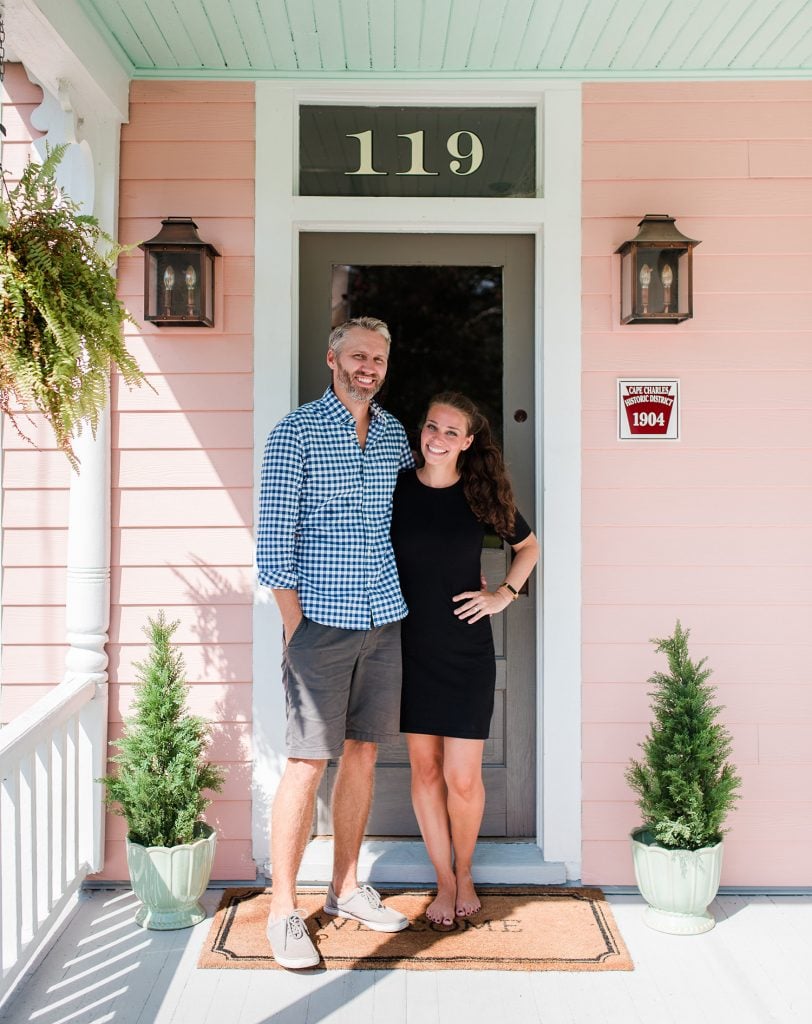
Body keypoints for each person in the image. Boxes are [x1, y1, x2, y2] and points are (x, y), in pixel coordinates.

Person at [257, 316, 413, 969]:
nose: (367, 367)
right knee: (305, 762)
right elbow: (272, 548)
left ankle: (346, 887)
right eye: (356, 356)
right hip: (319, 624)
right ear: (332, 359)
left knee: (364, 754)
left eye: (377, 357)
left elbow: (418, 514)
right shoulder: (295, 433)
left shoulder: (395, 434)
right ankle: (283, 910)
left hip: (383, 620)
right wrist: (297, 632)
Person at [390, 392, 539, 927]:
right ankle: (444, 879)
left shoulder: (479, 497)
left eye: (451, 432)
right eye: (432, 426)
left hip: (465, 652)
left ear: (468, 442)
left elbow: (529, 547)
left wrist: (504, 594)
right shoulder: (396, 488)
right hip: (408, 648)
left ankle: (468, 869)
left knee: (462, 778)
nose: (437, 438)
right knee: (425, 770)